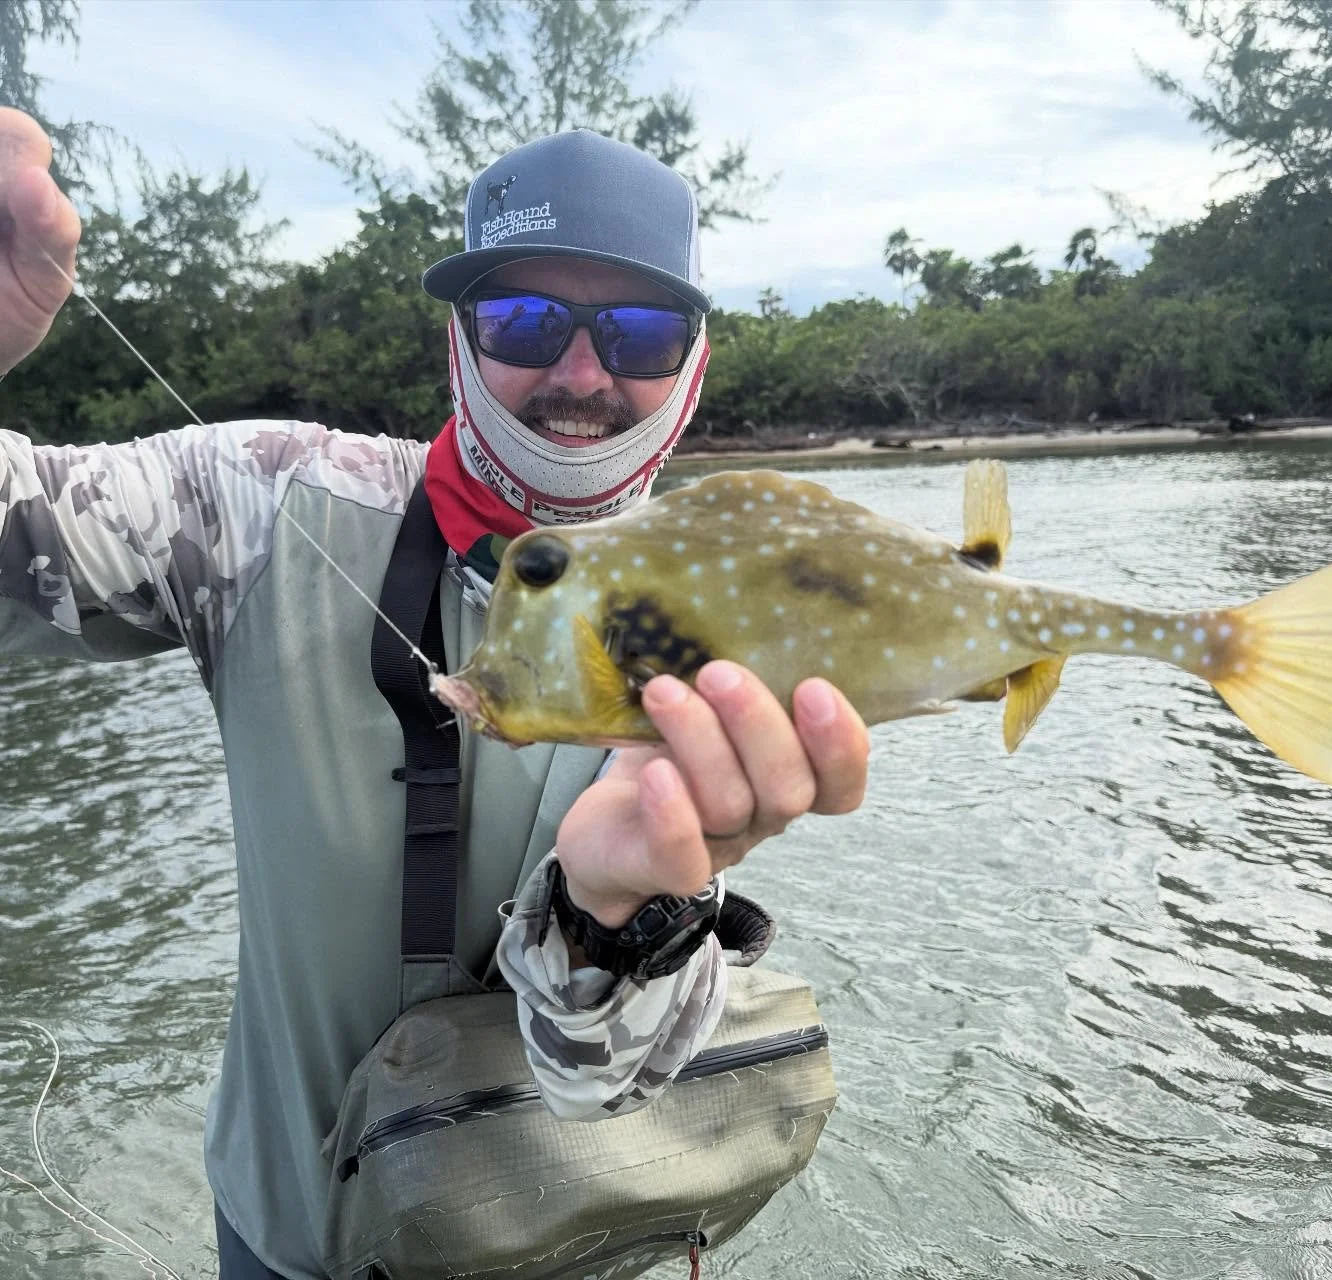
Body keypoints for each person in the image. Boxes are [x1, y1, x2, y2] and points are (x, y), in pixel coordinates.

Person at [0, 108, 870, 1279]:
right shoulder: (260, 504)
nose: (579, 373)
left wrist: (613, 918)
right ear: (458, 337)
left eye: (641, 331)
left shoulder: (738, 604)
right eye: (525, 317)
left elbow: (611, 1078)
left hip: (577, 1237)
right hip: (286, 1234)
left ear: (695, 363)